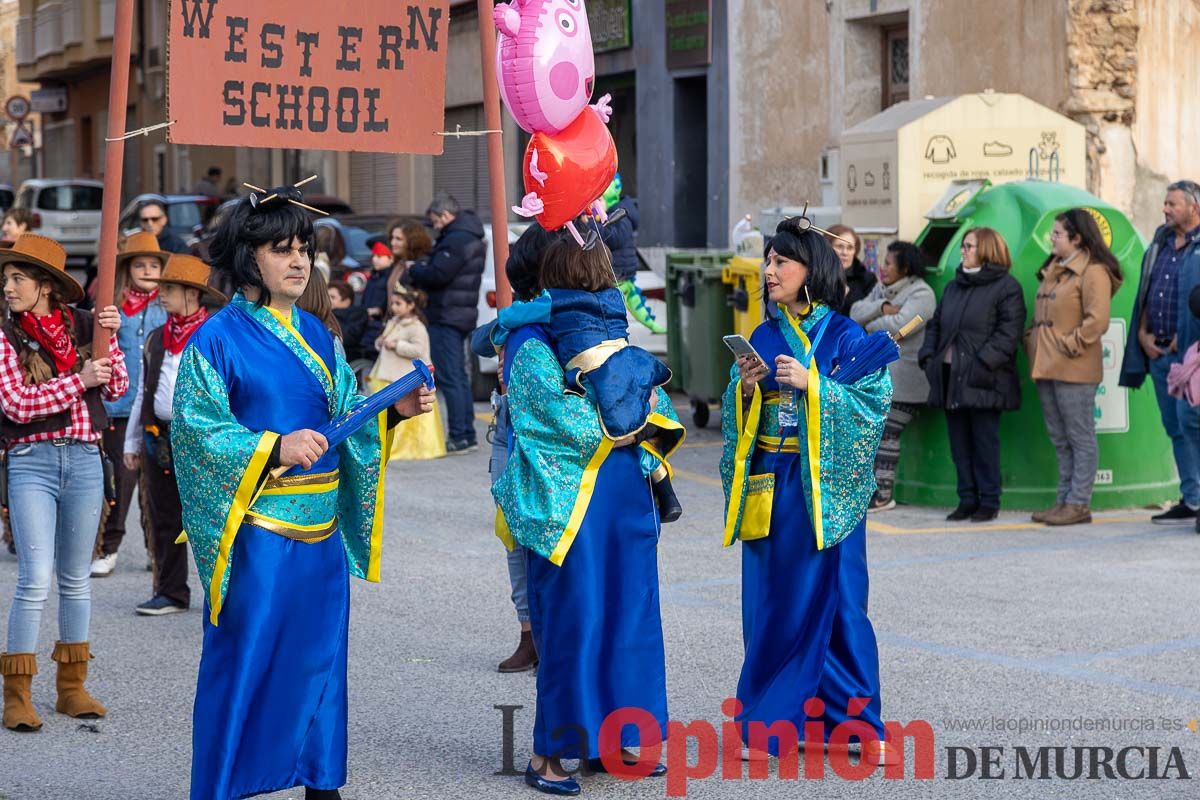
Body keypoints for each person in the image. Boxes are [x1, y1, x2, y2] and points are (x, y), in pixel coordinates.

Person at [171, 186, 432, 800]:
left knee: (320, 666)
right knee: (247, 664)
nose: (297, 262)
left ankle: (321, 782)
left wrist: (393, 414)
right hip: (258, 533)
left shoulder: (319, 334)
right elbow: (197, 433)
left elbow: (346, 417)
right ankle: (226, 785)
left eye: (304, 249)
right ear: (247, 257)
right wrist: (271, 446)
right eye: (280, 249)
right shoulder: (217, 339)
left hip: (320, 539)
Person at [492, 242, 682, 796]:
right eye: (596, 263)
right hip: (571, 502)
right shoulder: (529, 342)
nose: (606, 270)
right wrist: (627, 419)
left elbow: (655, 399)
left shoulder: (604, 331)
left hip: (623, 497)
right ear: (563, 270)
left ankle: (614, 739)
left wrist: (637, 415)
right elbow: (549, 418)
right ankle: (547, 754)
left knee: (629, 616)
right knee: (577, 621)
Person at [721, 218, 892, 765]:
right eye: (768, 262)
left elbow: (871, 406)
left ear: (810, 271)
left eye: (781, 263)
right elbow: (736, 415)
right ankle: (769, 723)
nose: (769, 272)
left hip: (827, 487)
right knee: (773, 604)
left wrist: (813, 384)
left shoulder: (845, 335)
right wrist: (746, 391)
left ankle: (854, 725)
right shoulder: (765, 335)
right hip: (775, 482)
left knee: (843, 603)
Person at [0, 233, 128, 733]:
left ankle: (71, 689)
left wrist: (110, 342)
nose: (8, 287)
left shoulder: (83, 326)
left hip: (85, 460)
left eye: (18, 278)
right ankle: (17, 695)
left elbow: (116, 387)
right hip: (30, 460)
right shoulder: (5, 335)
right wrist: (81, 379)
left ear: (47, 286)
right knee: (34, 578)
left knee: (76, 580)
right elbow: (14, 404)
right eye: (6, 279)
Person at [488, 238, 684, 523]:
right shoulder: (615, 297)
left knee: (611, 418)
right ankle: (663, 485)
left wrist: (498, 332)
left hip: (591, 370)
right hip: (626, 362)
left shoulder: (553, 303)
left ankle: (651, 467)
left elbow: (513, 316)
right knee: (636, 411)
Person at [472, 223, 558, 674]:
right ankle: (528, 633)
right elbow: (477, 342)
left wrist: (526, 317)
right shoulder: (518, 315)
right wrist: (513, 317)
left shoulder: (572, 308)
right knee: (513, 539)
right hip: (508, 432)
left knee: (550, 538)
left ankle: (555, 633)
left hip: (551, 440)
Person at [123, 254, 226, 615]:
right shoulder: (156, 338)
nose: (160, 295)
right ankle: (170, 591)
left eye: (168, 289)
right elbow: (143, 392)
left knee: (211, 517)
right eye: (161, 288)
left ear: (192, 294)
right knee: (163, 514)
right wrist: (132, 440)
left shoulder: (215, 336)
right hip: (159, 437)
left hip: (203, 441)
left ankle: (225, 593)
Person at [918, 227, 1026, 522]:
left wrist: (981, 364)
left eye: (969, 246)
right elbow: (936, 324)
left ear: (987, 250)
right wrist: (928, 356)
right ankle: (966, 498)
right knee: (959, 444)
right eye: (963, 246)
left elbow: (1008, 333)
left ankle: (989, 500)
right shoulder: (955, 286)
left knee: (984, 443)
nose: (963, 251)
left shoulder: (1006, 287)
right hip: (949, 376)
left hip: (984, 380)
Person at [1026, 210, 1123, 526]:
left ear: (1077, 238)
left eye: (1057, 234)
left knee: (1080, 437)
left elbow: (1098, 321)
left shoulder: (1093, 272)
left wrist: (1068, 344)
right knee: (1060, 437)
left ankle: (1079, 502)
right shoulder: (1054, 269)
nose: (1051, 239)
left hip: (1075, 368)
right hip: (1046, 365)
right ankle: (1064, 501)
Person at [1119, 180, 1200, 525]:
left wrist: (1183, 340)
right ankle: (1192, 498)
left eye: (1172, 204)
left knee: (1191, 421)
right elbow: (1148, 289)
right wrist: (1141, 332)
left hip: (1191, 356)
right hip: (1157, 352)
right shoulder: (1160, 241)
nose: (1165, 209)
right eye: (1165, 203)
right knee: (1174, 427)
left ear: (1194, 207)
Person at [90, 231, 170, 578]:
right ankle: (109, 547)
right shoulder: (114, 307)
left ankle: (156, 549)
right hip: (120, 408)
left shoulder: (165, 308)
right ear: (129, 269)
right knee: (120, 482)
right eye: (140, 264)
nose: (148, 270)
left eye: (154, 265)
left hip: (154, 410)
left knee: (155, 486)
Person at [850, 240, 935, 512]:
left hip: (906, 382)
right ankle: (870, 491)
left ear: (905, 266)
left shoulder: (922, 294)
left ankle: (883, 495)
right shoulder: (882, 290)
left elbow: (901, 328)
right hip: (878, 378)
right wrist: (882, 307)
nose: (883, 268)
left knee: (887, 434)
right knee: (873, 434)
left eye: (888, 263)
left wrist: (870, 323)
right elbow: (854, 312)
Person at [403, 193, 486, 454]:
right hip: (460, 313)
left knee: (451, 377)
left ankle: (461, 435)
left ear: (445, 215)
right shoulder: (469, 236)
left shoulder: (457, 239)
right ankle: (465, 432)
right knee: (459, 376)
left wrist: (415, 269)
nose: (435, 226)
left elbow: (439, 273)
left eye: (435, 221)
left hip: (447, 314)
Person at [368, 285, 445, 461]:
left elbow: (419, 350)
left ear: (410, 305)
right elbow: (383, 341)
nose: (394, 307)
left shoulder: (417, 327)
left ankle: (410, 448)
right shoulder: (393, 322)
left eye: (398, 303)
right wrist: (380, 342)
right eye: (393, 303)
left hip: (405, 378)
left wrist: (398, 346)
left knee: (406, 415)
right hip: (387, 373)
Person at [600, 174, 662, 333]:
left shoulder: (621, 215)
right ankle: (653, 326)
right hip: (616, 273)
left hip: (619, 274)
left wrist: (594, 227)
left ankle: (653, 326)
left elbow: (613, 239)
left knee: (616, 308)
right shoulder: (609, 214)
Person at [827, 224, 877, 316]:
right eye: (839, 246)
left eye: (850, 248)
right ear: (827, 247)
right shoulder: (816, 277)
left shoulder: (867, 279)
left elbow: (872, 312)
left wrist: (847, 297)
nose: (844, 252)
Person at [360, 239, 396, 357]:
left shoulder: (391, 279)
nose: (375, 259)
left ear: (391, 258)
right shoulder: (374, 277)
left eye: (380, 256)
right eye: (374, 255)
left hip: (379, 325)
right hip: (367, 322)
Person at [385, 220, 434, 295]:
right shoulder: (399, 263)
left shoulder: (422, 265)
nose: (392, 242)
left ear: (412, 241)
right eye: (392, 238)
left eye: (398, 239)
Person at [327, 280, 368, 363]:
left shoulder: (358, 315)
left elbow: (348, 337)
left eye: (332, 297)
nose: (327, 300)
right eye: (326, 296)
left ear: (346, 302)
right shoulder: (321, 314)